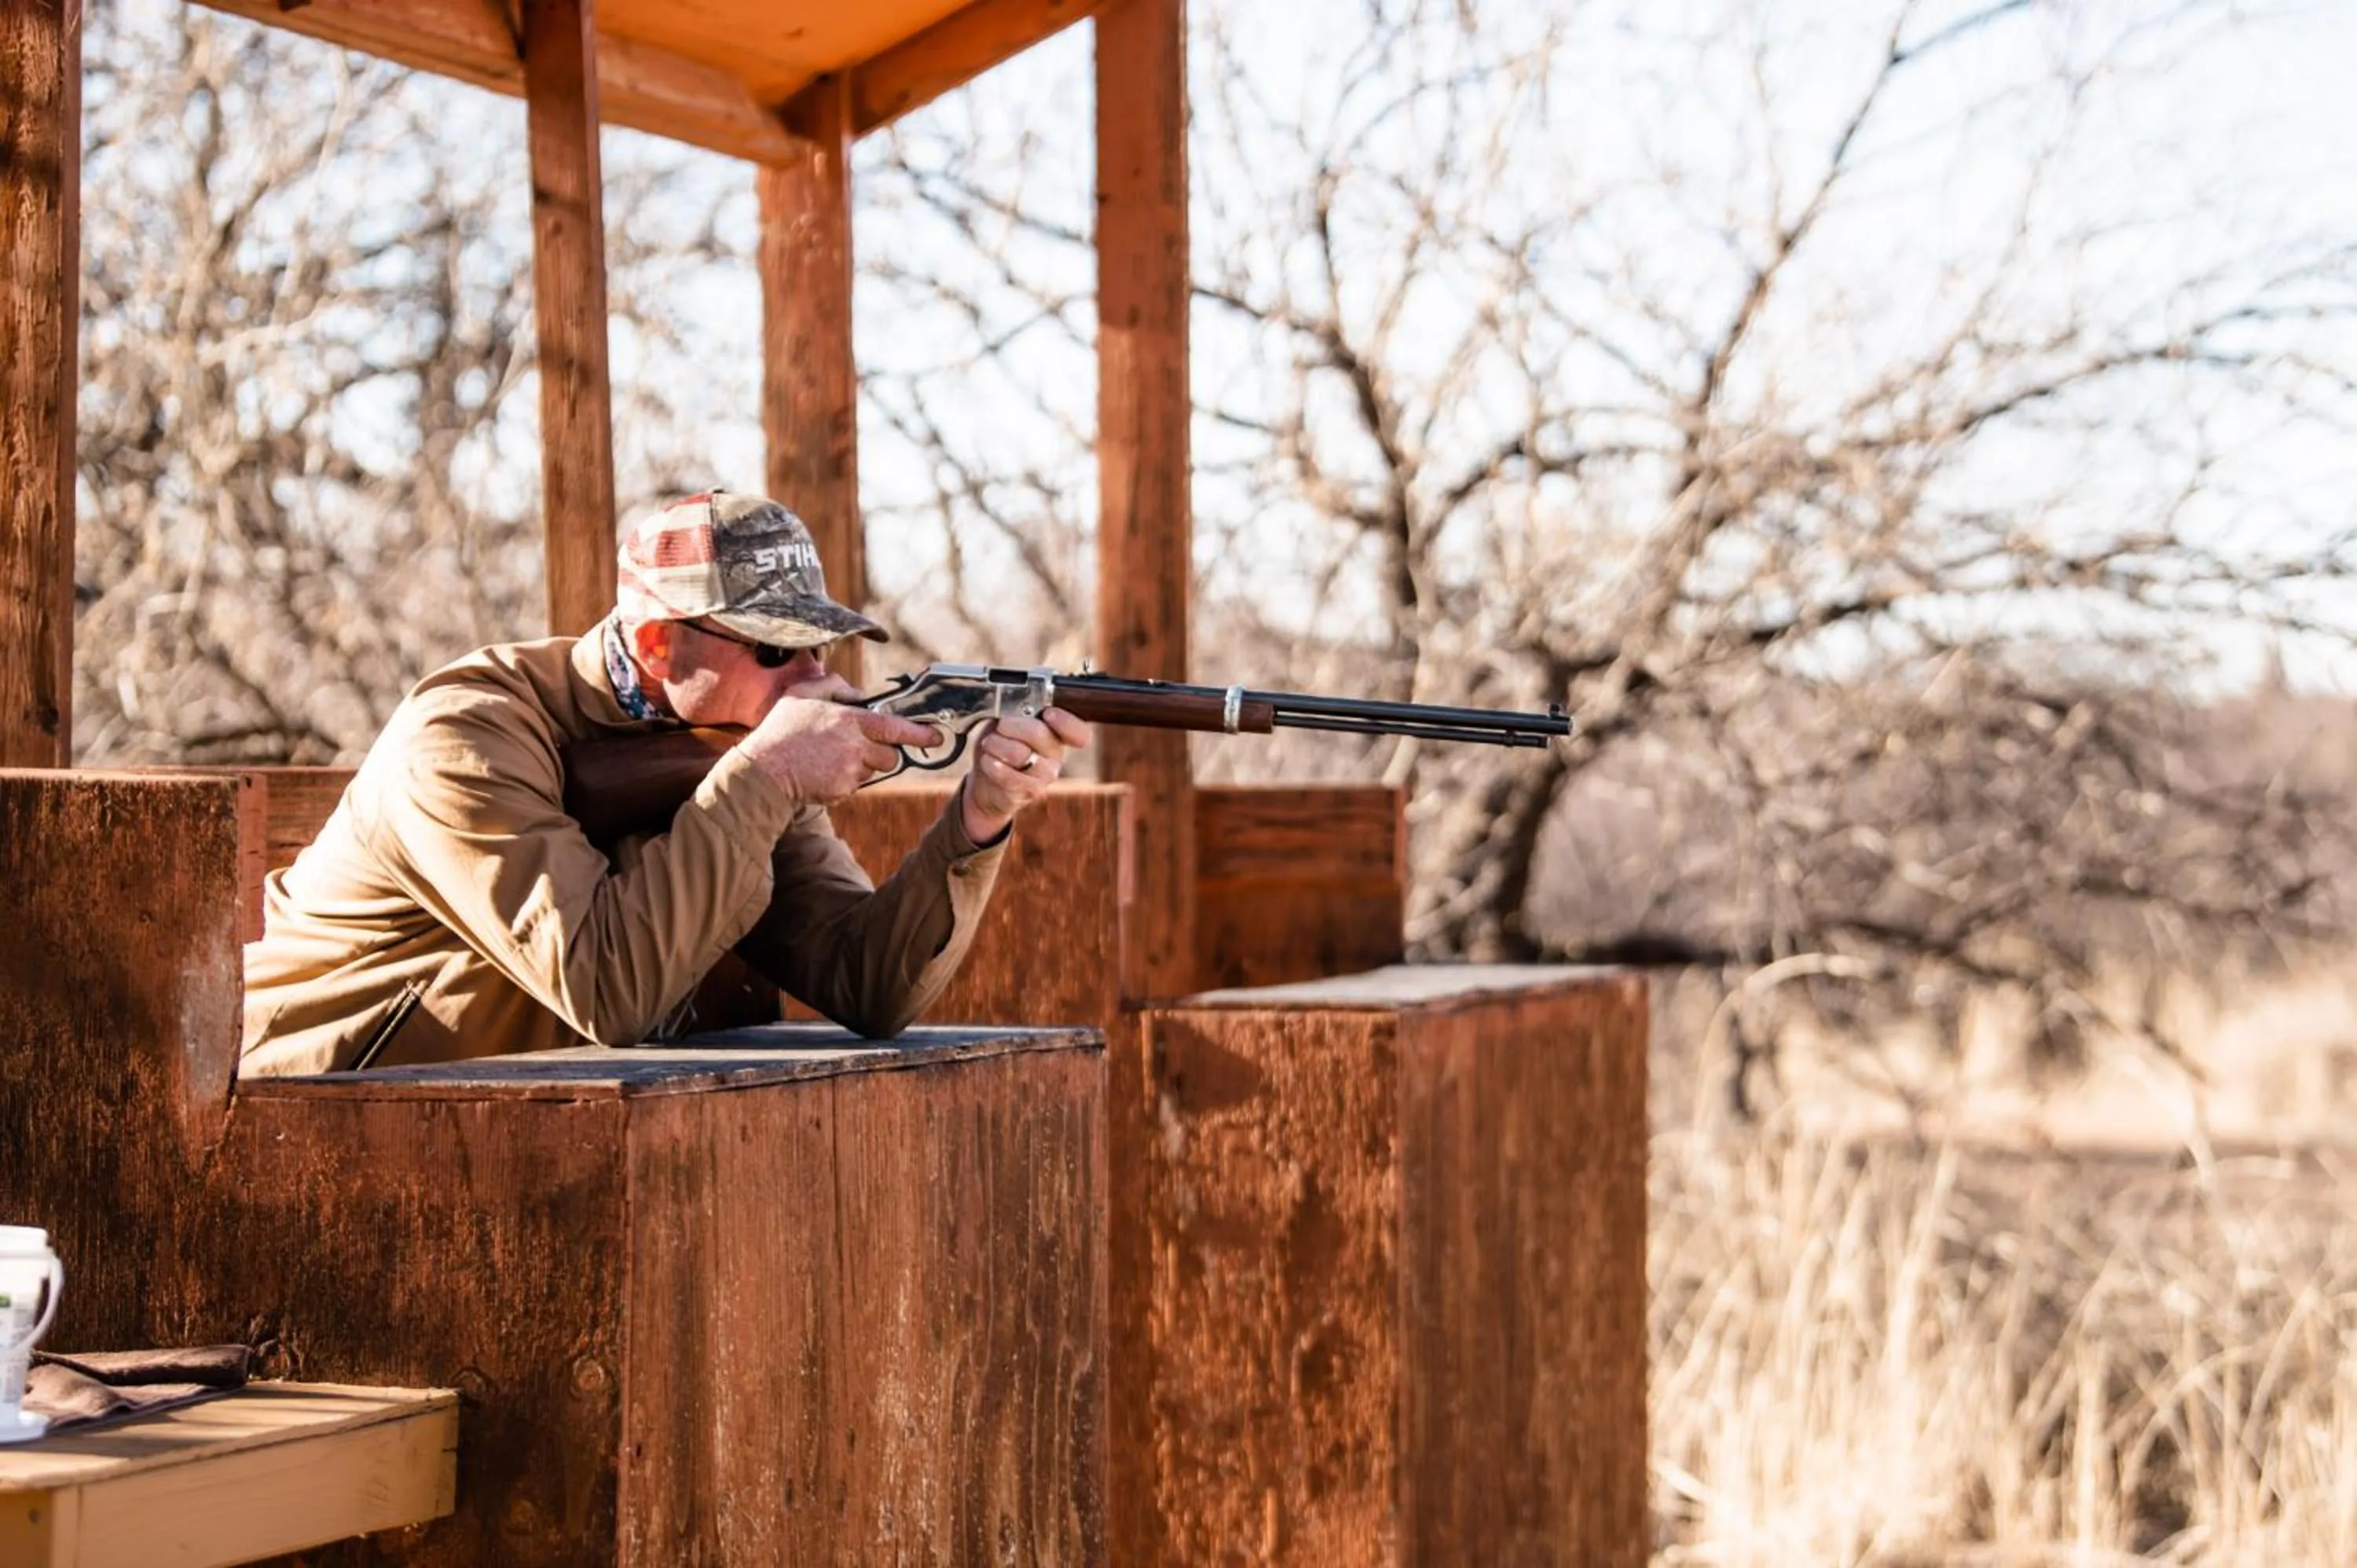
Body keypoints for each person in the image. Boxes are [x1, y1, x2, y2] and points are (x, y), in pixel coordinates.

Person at [238, 489, 1090, 1077]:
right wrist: (764, 777)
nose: (807, 676)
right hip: (300, 1129)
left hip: (496, 1132)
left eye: (817, 647)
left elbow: (867, 981)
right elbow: (608, 990)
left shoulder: (738, 751)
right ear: (655, 646)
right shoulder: (463, 739)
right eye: (771, 648)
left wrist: (977, 821)